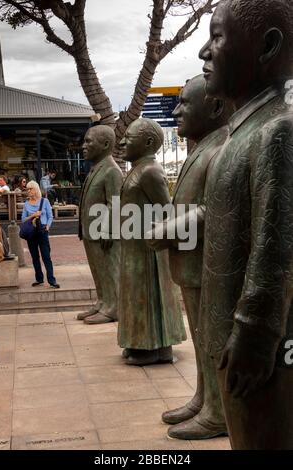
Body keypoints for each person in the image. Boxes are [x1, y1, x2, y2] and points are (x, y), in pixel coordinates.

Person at [198, 0, 293, 450]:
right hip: (230, 342)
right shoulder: (245, 131)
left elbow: (277, 245)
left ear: (267, 46)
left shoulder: (279, 131)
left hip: (258, 354)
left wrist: (256, 332)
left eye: (217, 36)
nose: (204, 51)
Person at [148, 75, 232, 440]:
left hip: (208, 266)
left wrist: (165, 231)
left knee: (212, 339)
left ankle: (218, 411)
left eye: (184, 102)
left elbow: (209, 210)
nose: (176, 110)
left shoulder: (219, 150)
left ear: (214, 107)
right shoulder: (203, 147)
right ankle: (204, 398)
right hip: (191, 265)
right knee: (200, 340)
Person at [117, 118, 186, 366]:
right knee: (135, 295)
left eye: (129, 137)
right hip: (134, 245)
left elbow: (167, 212)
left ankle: (156, 348)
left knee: (147, 294)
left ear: (147, 143)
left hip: (148, 249)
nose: (122, 141)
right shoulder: (136, 168)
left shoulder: (150, 171)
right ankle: (139, 342)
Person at [77, 125, 123, 324]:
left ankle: (113, 307)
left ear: (105, 145)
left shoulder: (112, 170)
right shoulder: (97, 168)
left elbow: (116, 202)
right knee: (98, 269)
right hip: (91, 232)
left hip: (104, 233)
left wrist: (109, 229)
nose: (83, 146)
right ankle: (103, 301)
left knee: (109, 270)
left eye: (89, 141)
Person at [22, 181, 59, 288]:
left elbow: (50, 216)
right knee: (35, 257)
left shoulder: (45, 201)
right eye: (27, 189)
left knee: (46, 256)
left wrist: (47, 226)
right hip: (31, 233)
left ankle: (52, 280)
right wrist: (33, 215)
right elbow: (23, 219)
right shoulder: (26, 204)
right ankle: (39, 279)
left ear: (36, 189)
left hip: (42, 231)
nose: (28, 191)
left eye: (30, 189)